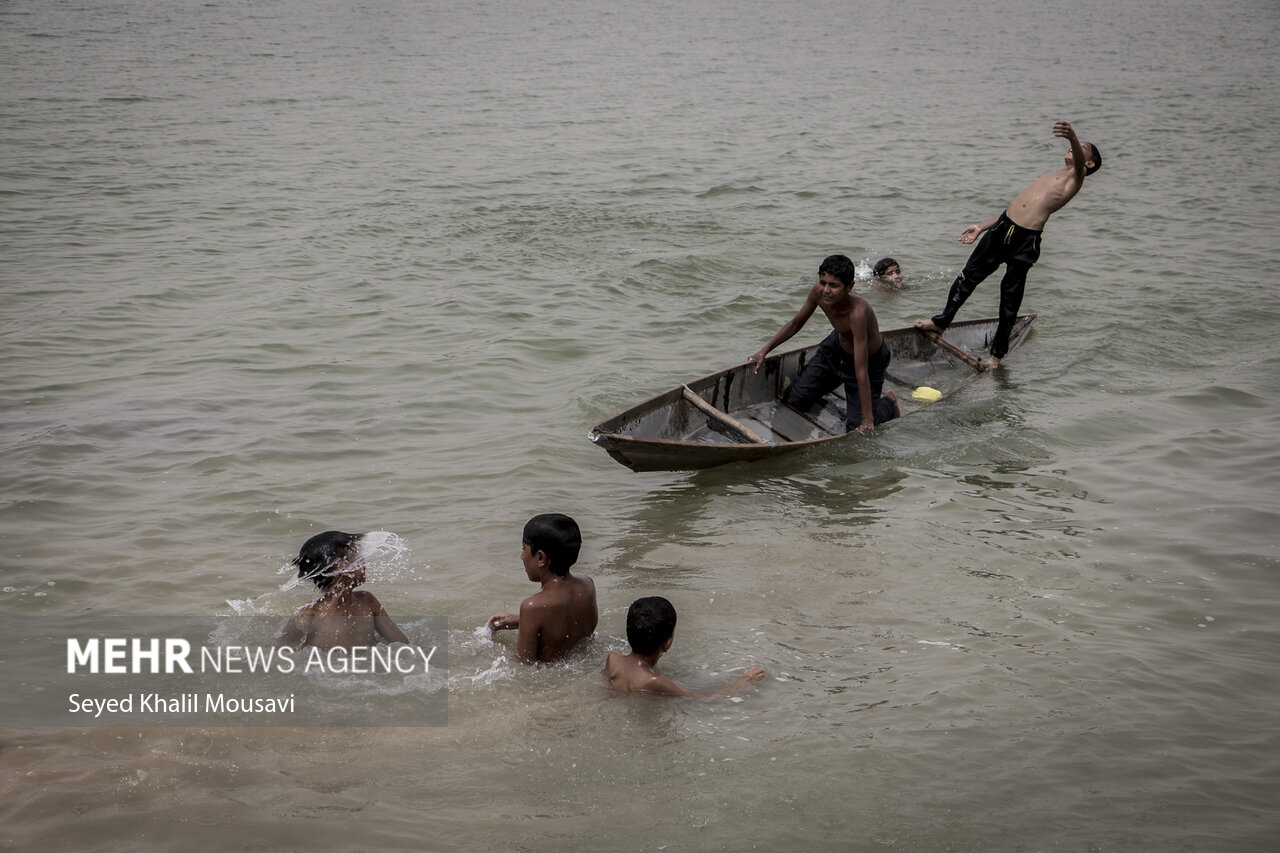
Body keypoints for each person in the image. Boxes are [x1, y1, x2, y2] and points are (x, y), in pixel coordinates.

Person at [916, 120, 1102, 370]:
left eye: (1082, 147)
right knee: (968, 276)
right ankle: (941, 321)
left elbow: (1078, 163)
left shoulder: (1076, 178)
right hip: (1002, 227)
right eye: (1076, 144)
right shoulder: (1051, 175)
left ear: (1088, 163)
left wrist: (1071, 137)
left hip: (1026, 241)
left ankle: (996, 355)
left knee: (1010, 297)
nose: (1076, 147)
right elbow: (1015, 207)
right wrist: (982, 226)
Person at [748, 254, 900, 432]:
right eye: (823, 282)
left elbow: (860, 370)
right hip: (836, 348)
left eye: (834, 285)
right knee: (793, 399)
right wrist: (764, 351)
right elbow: (795, 323)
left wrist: (867, 419)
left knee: (856, 428)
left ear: (849, 287)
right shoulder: (817, 292)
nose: (826, 290)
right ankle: (826, 384)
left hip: (870, 360)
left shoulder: (858, 313)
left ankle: (889, 402)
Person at [486, 513, 598, 663]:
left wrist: (490, 647)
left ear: (540, 558)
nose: (521, 556)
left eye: (524, 549)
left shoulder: (532, 607)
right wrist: (521, 621)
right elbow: (565, 620)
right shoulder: (587, 585)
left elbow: (523, 664)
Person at [604, 596, 765, 699]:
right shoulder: (654, 681)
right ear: (667, 642)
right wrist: (744, 680)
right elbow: (707, 700)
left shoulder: (613, 658)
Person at [277, 530, 409, 649]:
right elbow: (277, 653)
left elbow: (402, 645)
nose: (363, 561)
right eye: (356, 556)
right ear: (341, 566)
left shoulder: (367, 601)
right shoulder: (311, 615)